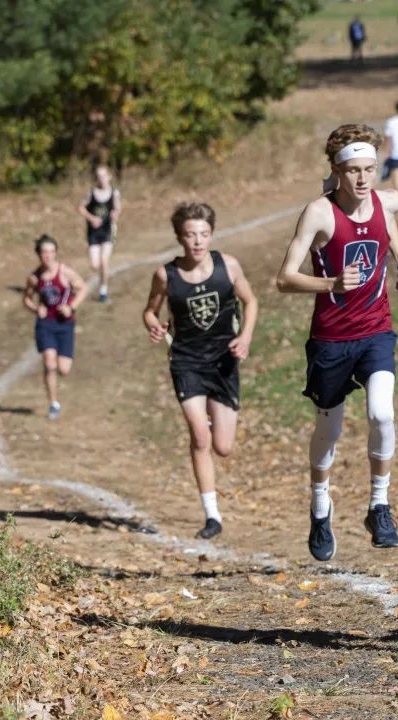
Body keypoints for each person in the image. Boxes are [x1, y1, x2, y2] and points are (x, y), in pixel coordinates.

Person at [276, 124, 398, 563]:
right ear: (337, 171)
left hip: (376, 330)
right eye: (353, 170)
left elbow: (392, 212)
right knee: (329, 431)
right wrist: (331, 282)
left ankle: (379, 506)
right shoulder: (319, 213)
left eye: (370, 169)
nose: (362, 179)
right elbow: (283, 279)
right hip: (331, 339)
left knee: (382, 412)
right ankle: (321, 506)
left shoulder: (384, 199)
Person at [142, 202, 259, 539]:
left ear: (212, 235)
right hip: (186, 360)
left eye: (204, 234)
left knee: (223, 446)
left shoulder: (229, 266)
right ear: (180, 237)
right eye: (191, 235)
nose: (197, 241)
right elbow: (150, 311)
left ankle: (210, 422)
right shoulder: (166, 275)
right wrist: (154, 326)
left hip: (223, 360)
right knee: (200, 437)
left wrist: (246, 336)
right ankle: (212, 516)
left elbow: (250, 301)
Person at [22, 235, 88, 421]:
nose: (48, 256)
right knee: (49, 363)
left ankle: (55, 393)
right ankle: (53, 403)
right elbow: (26, 299)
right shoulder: (34, 278)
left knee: (64, 369)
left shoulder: (65, 273)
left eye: (51, 251)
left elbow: (83, 288)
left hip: (65, 324)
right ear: (39, 255)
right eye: (44, 252)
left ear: (56, 253)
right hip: (45, 324)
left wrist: (71, 307)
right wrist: (36, 309)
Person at [77, 164, 121, 303]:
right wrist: (91, 218)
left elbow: (118, 208)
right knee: (94, 265)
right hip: (93, 232)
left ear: (109, 177)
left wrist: (115, 214)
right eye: (98, 176)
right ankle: (102, 280)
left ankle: (103, 291)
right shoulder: (91, 193)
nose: (101, 179)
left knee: (104, 261)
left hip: (108, 231)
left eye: (103, 176)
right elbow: (81, 207)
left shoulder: (114, 193)